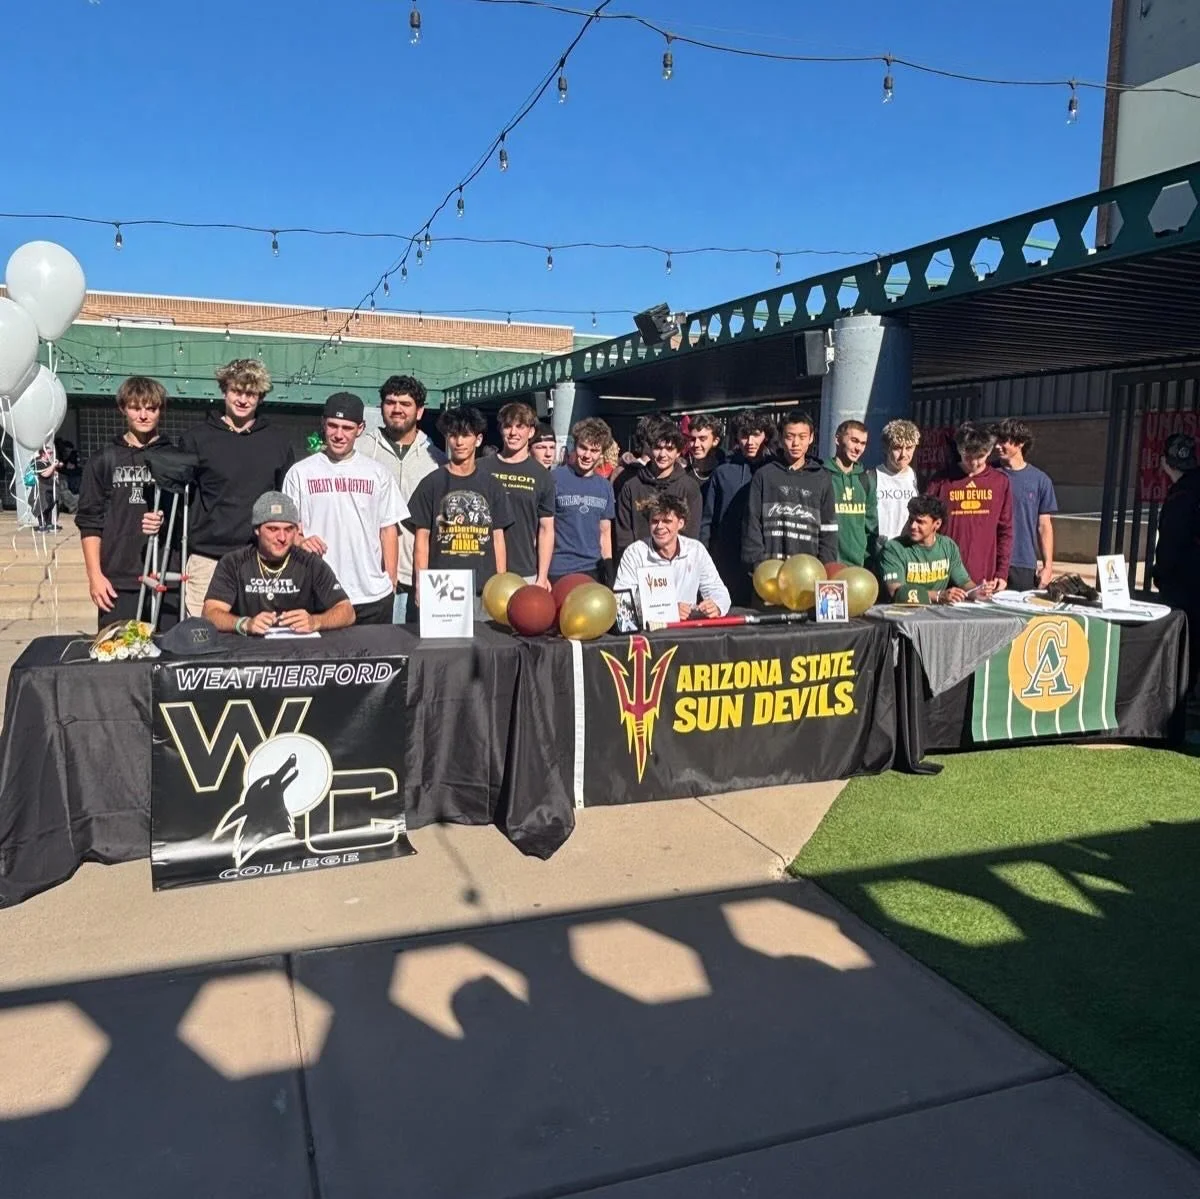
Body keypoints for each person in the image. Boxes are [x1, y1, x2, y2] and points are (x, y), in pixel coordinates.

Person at [179, 359, 296, 617]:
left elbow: (285, 501)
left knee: (258, 632)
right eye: (236, 391)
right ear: (224, 390)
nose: (243, 400)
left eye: (250, 393)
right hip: (208, 558)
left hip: (259, 559)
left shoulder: (277, 441)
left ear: (260, 397)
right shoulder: (196, 439)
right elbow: (179, 499)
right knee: (202, 632)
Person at [282, 393, 405, 626]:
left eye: (347, 428)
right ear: (323, 423)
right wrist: (300, 540)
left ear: (360, 429)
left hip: (372, 595)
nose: (339, 435)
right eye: (333, 426)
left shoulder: (378, 473)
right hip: (319, 593)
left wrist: (390, 580)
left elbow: (388, 529)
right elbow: (287, 529)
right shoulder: (300, 473)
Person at [77, 376, 171, 628]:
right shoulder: (104, 459)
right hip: (118, 580)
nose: (143, 415)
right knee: (119, 650)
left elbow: (189, 514)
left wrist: (164, 519)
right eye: (135, 408)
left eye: (151, 408)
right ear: (123, 409)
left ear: (161, 410)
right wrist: (95, 576)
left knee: (166, 651)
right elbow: (89, 522)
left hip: (165, 577)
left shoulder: (175, 457)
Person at [406, 405, 513, 615]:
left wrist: (500, 584)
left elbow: (498, 538)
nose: (459, 442)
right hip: (442, 587)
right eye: (453, 435)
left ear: (478, 440)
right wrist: (421, 583)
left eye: (465, 435)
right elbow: (421, 539)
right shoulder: (431, 483)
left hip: (484, 588)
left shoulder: (492, 485)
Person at [202, 491, 355, 634]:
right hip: (250, 647)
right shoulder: (234, 563)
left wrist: (316, 621)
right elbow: (210, 613)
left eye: (288, 529)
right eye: (273, 529)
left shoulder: (310, 564)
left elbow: (347, 612)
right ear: (257, 529)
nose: (282, 538)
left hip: (299, 647)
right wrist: (244, 624)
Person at [358, 374, 444, 623]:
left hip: (419, 577)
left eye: (405, 404)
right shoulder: (360, 451)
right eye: (390, 402)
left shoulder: (437, 460)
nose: (397, 409)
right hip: (369, 576)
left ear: (420, 411)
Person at [742, 409, 838, 581]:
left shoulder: (822, 478)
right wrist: (757, 563)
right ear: (780, 438)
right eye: (790, 436)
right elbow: (752, 522)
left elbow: (828, 529)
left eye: (802, 437)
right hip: (770, 574)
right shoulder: (765, 475)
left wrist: (825, 568)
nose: (796, 443)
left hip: (809, 574)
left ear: (811, 438)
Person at [925, 422, 1012, 593]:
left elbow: (1005, 530)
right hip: (942, 576)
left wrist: (1002, 572)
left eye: (980, 456)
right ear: (959, 450)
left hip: (983, 576)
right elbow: (925, 525)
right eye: (968, 456)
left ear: (989, 451)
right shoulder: (941, 481)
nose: (974, 462)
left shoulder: (1000, 482)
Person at [701, 407, 776, 605]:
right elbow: (708, 520)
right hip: (729, 558)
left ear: (766, 436)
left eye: (756, 435)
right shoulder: (723, 472)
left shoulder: (775, 471)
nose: (750, 442)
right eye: (744, 435)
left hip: (767, 558)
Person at [614, 494, 730, 619]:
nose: (660, 526)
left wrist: (716, 606)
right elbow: (622, 602)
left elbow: (718, 590)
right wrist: (668, 610)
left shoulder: (696, 550)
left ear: (680, 523)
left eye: (667, 521)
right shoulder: (635, 553)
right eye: (654, 521)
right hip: (649, 627)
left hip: (687, 626)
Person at [481, 401, 554, 589]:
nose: (513, 432)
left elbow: (546, 529)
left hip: (524, 571)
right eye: (508, 426)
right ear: (501, 429)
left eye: (520, 426)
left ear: (531, 432)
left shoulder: (541, 475)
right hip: (482, 568)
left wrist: (542, 577)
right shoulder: (481, 468)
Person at [1152, 432, 1200, 693]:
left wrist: (1161, 573)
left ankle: (1182, 694)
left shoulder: (1180, 495)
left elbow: (1172, 540)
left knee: (1183, 640)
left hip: (1184, 580)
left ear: (1165, 462)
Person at [879, 495, 992, 605]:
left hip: (938, 612)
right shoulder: (893, 549)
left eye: (920, 522)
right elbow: (897, 593)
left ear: (937, 524)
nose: (913, 526)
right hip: (905, 612)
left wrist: (976, 591)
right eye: (911, 519)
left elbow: (964, 582)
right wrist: (938, 596)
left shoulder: (948, 546)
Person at [614, 418, 702, 558]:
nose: (662, 454)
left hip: (676, 562)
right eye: (658, 448)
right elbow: (624, 535)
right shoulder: (631, 486)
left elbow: (691, 534)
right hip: (639, 562)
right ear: (650, 449)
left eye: (669, 449)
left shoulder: (689, 487)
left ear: (678, 452)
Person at [549, 417, 616, 584]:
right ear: (575, 446)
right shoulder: (554, 479)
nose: (587, 455)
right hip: (558, 569)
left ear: (601, 453)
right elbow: (543, 528)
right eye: (583, 448)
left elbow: (605, 532)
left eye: (594, 450)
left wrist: (608, 568)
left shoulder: (605, 487)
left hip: (593, 569)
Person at [994, 418, 1058, 591]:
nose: (997, 446)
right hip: (991, 560)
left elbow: (1044, 526)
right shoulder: (988, 475)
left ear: (1020, 442)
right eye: (996, 441)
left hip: (1023, 563)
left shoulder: (1040, 481)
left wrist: (1048, 566)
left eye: (1003, 441)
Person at [824, 420, 878, 567]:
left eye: (863, 443)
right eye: (854, 441)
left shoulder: (866, 480)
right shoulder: (822, 476)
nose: (858, 448)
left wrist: (869, 561)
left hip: (858, 567)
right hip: (827, 565)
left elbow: (871, 528)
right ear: (837, 439)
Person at [872, 419, 921, 543]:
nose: (903, 454)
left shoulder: (918, 479)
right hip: (880, 548)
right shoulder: (872, 477)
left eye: (909, 448)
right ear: (886, 448)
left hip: (908, 547)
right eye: (897, 448)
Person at [686, 414, 725, 496]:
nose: (696, 444)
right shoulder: (684, 472)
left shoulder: (725, 472)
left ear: (715, 441)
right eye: (693, 439)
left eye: (702, 439)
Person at [33, 441, 63, 532]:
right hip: (42, 488)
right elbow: (45, 474)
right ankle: (42, 525)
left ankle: (49, 523)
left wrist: (56, 467)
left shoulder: (48, 463)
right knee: (43, 506)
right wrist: (53, 466)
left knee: (51, 505)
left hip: (50, 487)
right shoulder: (38, 463)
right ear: (43, 453)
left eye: (51, 453)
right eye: (49, 453)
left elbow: (53, 472)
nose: (51, 455)